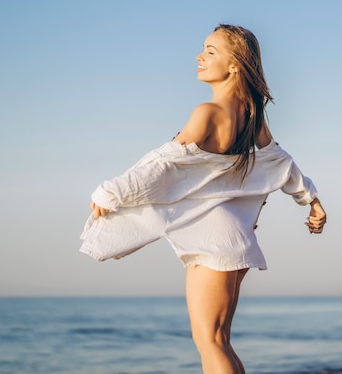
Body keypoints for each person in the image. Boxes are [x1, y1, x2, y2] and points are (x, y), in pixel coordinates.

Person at [82, 24, 327, 374]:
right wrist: (311, 200)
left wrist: (112, 192)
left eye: (211, 51)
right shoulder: (251, 114)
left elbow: (163, 166)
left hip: (216, 241)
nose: (199, 56)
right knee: (219, 341)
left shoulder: (207, 113)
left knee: (210, 342)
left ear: (234, 65)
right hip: (233, 236)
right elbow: (280, 161)